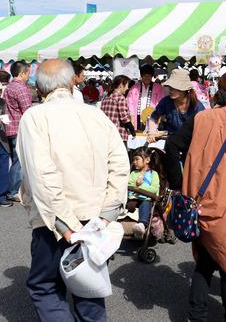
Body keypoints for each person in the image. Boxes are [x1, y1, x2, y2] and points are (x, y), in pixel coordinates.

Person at [17, 59, 130, 322]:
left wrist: (65, 225)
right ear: (71, 83)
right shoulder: (95, 114)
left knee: (45, 287)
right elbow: (120, 164)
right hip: (93, 220)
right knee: (88, 287)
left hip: (53, 223)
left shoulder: (35, 117)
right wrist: (107, 213)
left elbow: (42, 177)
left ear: (40, 88)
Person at [165, 70, 226, 322]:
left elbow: (171, 146)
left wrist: (179, 185)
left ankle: (196, 316)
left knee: (206, 262)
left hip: (198, 205)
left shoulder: (200, 119)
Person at [147, 69, 205, 142]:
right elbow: (153, 117)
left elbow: (204, 128)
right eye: (170, 87)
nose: (171, 90)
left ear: (185, 89)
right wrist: (152, 132)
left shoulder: (197, 106)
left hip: (191, 144)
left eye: (175, 88)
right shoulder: (166, 102)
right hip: (171, 143)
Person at [4, 61, 33, 202]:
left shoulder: (9, 87)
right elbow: (27, 111)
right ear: (21, 73)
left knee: (16, 159)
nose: (29, 75)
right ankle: (14, 190)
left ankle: (13, 189)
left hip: (10, 126)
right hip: (19, 127)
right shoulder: (21, 88)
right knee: (19, 160)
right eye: (28, 73)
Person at [127, 147, 160, 238]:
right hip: (133, 199)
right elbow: (129, 184)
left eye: (137, 159)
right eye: (133, 159)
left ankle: (141, 225)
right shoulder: (134, 173)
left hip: (146, 199)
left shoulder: (154, 174)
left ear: (147, 160)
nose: (134, 162)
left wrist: (140, 186)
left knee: (145, 204)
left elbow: (154, 189)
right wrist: (136, 185)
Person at [126, 64, 164, 132]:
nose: (147, 78)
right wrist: (131, 115)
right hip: (136, 119)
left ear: (152, 76)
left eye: (149, 75)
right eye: (144, 75)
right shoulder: (134, 88)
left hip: (152, 118)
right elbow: (129, 102)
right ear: (141, 76)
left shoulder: (158, 88)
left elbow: (160, 103)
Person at [101, 75, 136, 147]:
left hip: (106, 134)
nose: (127, 88)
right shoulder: (120, 98)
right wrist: (132, 130)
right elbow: (124, 118)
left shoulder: (106, 97)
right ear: (121, 85)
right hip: (119, 135)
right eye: (126, 85)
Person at [0, 71, 12, 207]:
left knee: (3, 161)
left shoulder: (2, 101)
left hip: (1, 135)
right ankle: (2, 195)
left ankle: (2, 194)